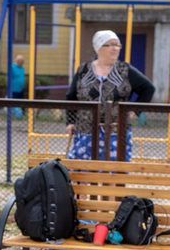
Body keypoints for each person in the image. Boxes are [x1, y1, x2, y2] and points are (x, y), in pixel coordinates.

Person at [65, 30, 155, 161]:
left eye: (117, 45)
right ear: (99, 48)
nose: (115, 48)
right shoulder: (84, 70)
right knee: (83, 171)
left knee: (115, 171)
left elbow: (148, 89)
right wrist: (70, 122)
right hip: (86, 130)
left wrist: (136, 111)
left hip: (117, 131)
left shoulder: (125, 70)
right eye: (111, 44)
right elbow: (71, 96)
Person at [9, 54, 27, 118]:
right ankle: (17, 115)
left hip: (21, 89)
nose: (22, 63)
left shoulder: (22, 68)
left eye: (22, 61)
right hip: (14, 89)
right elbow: (10, 78)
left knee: (21, 101)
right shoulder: (12, 68)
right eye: (21, 61)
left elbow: (22, 77)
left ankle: (22, 113)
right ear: (17, 61)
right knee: (14, 102)